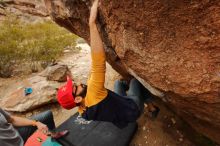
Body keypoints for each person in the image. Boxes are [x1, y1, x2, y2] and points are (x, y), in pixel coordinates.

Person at [57, 0, 159, 128]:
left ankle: (127, 96)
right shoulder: (94, 92)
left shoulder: (82, 111)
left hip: (120, 118)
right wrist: (92, 24)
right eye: (75, 87)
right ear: (77, 99)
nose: (77, 84)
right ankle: (151, 107)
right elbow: (98, 61)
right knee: (134, 81)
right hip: (133, 110)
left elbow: (92, 77)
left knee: (118, 83)